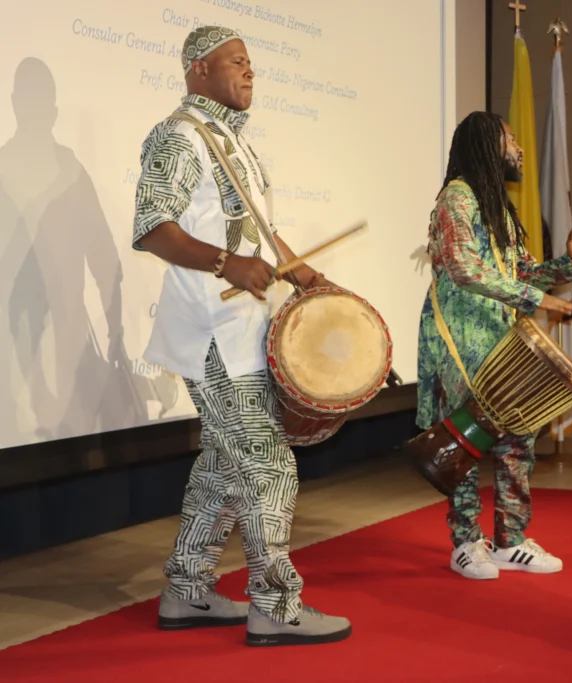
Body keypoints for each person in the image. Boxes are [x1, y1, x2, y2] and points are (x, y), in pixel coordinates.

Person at [133, 26, 349, 647]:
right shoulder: (179, 136)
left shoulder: (233, 142)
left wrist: (303, 273)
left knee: (225, 467)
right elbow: (152, 228)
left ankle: (187, 590)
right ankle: (275, 607)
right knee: (268, 465)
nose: (250, 72)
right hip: (211, 331)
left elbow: (260, 231)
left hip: (241, 330)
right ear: (199, 70)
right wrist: (227, 264)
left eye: (252, 64)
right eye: (236, 63)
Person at [417, 111, 572, 580]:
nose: (519, 148)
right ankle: (465, 543)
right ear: (486, 145)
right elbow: (465, 269)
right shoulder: (455, 200)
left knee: (517, 438)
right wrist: (536, 298)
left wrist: (568, 264)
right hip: (459, 341)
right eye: (512, 139)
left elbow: (519, 273)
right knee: (465, 440)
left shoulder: (497, 206)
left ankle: (511, 540)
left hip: (501, 341)